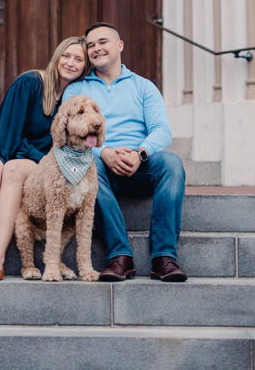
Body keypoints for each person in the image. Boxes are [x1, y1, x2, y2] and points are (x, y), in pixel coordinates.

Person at [0, 36, 90, 280]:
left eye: (78, 59)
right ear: (56, 57)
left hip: (35, 162)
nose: (70, 63)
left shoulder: (74, 100)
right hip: (6, 148)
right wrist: (38, 158)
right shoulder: (30, 82)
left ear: (85, 66)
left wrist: (45, 162)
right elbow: (6, 133)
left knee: (13, 171)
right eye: (66, 56)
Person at [63, 22, 187, 282]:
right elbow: (71, 135)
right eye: (91, 45)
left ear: (119, 45)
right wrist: (103, 152)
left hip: (139, 166)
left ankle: (164, 258)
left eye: (103, 42)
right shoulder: (76, 89)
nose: (96, 48)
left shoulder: (143, 86)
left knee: (172, 164)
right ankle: (120, 257)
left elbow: (162, 131)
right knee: (87, 164)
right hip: (99, 168)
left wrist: (139, 153)